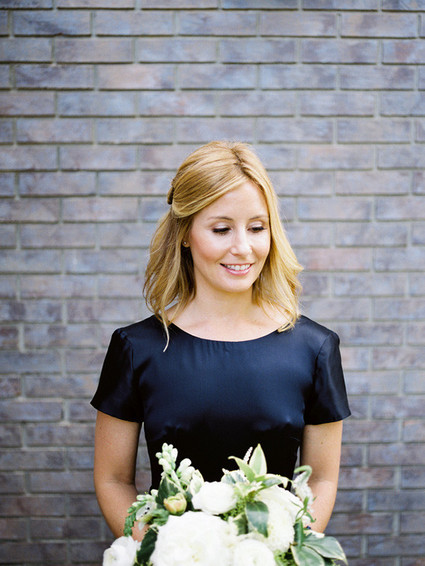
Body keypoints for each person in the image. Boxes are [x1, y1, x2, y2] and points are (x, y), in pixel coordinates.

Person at [91, 141, 350, 541]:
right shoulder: (136, 348)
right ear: (185, 234)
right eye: (221, 229)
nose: (242, 248)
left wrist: (282, 553)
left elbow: (322, 480)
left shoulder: (314, 348)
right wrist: (162, 553)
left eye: (257, 228)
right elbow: (113, 480)